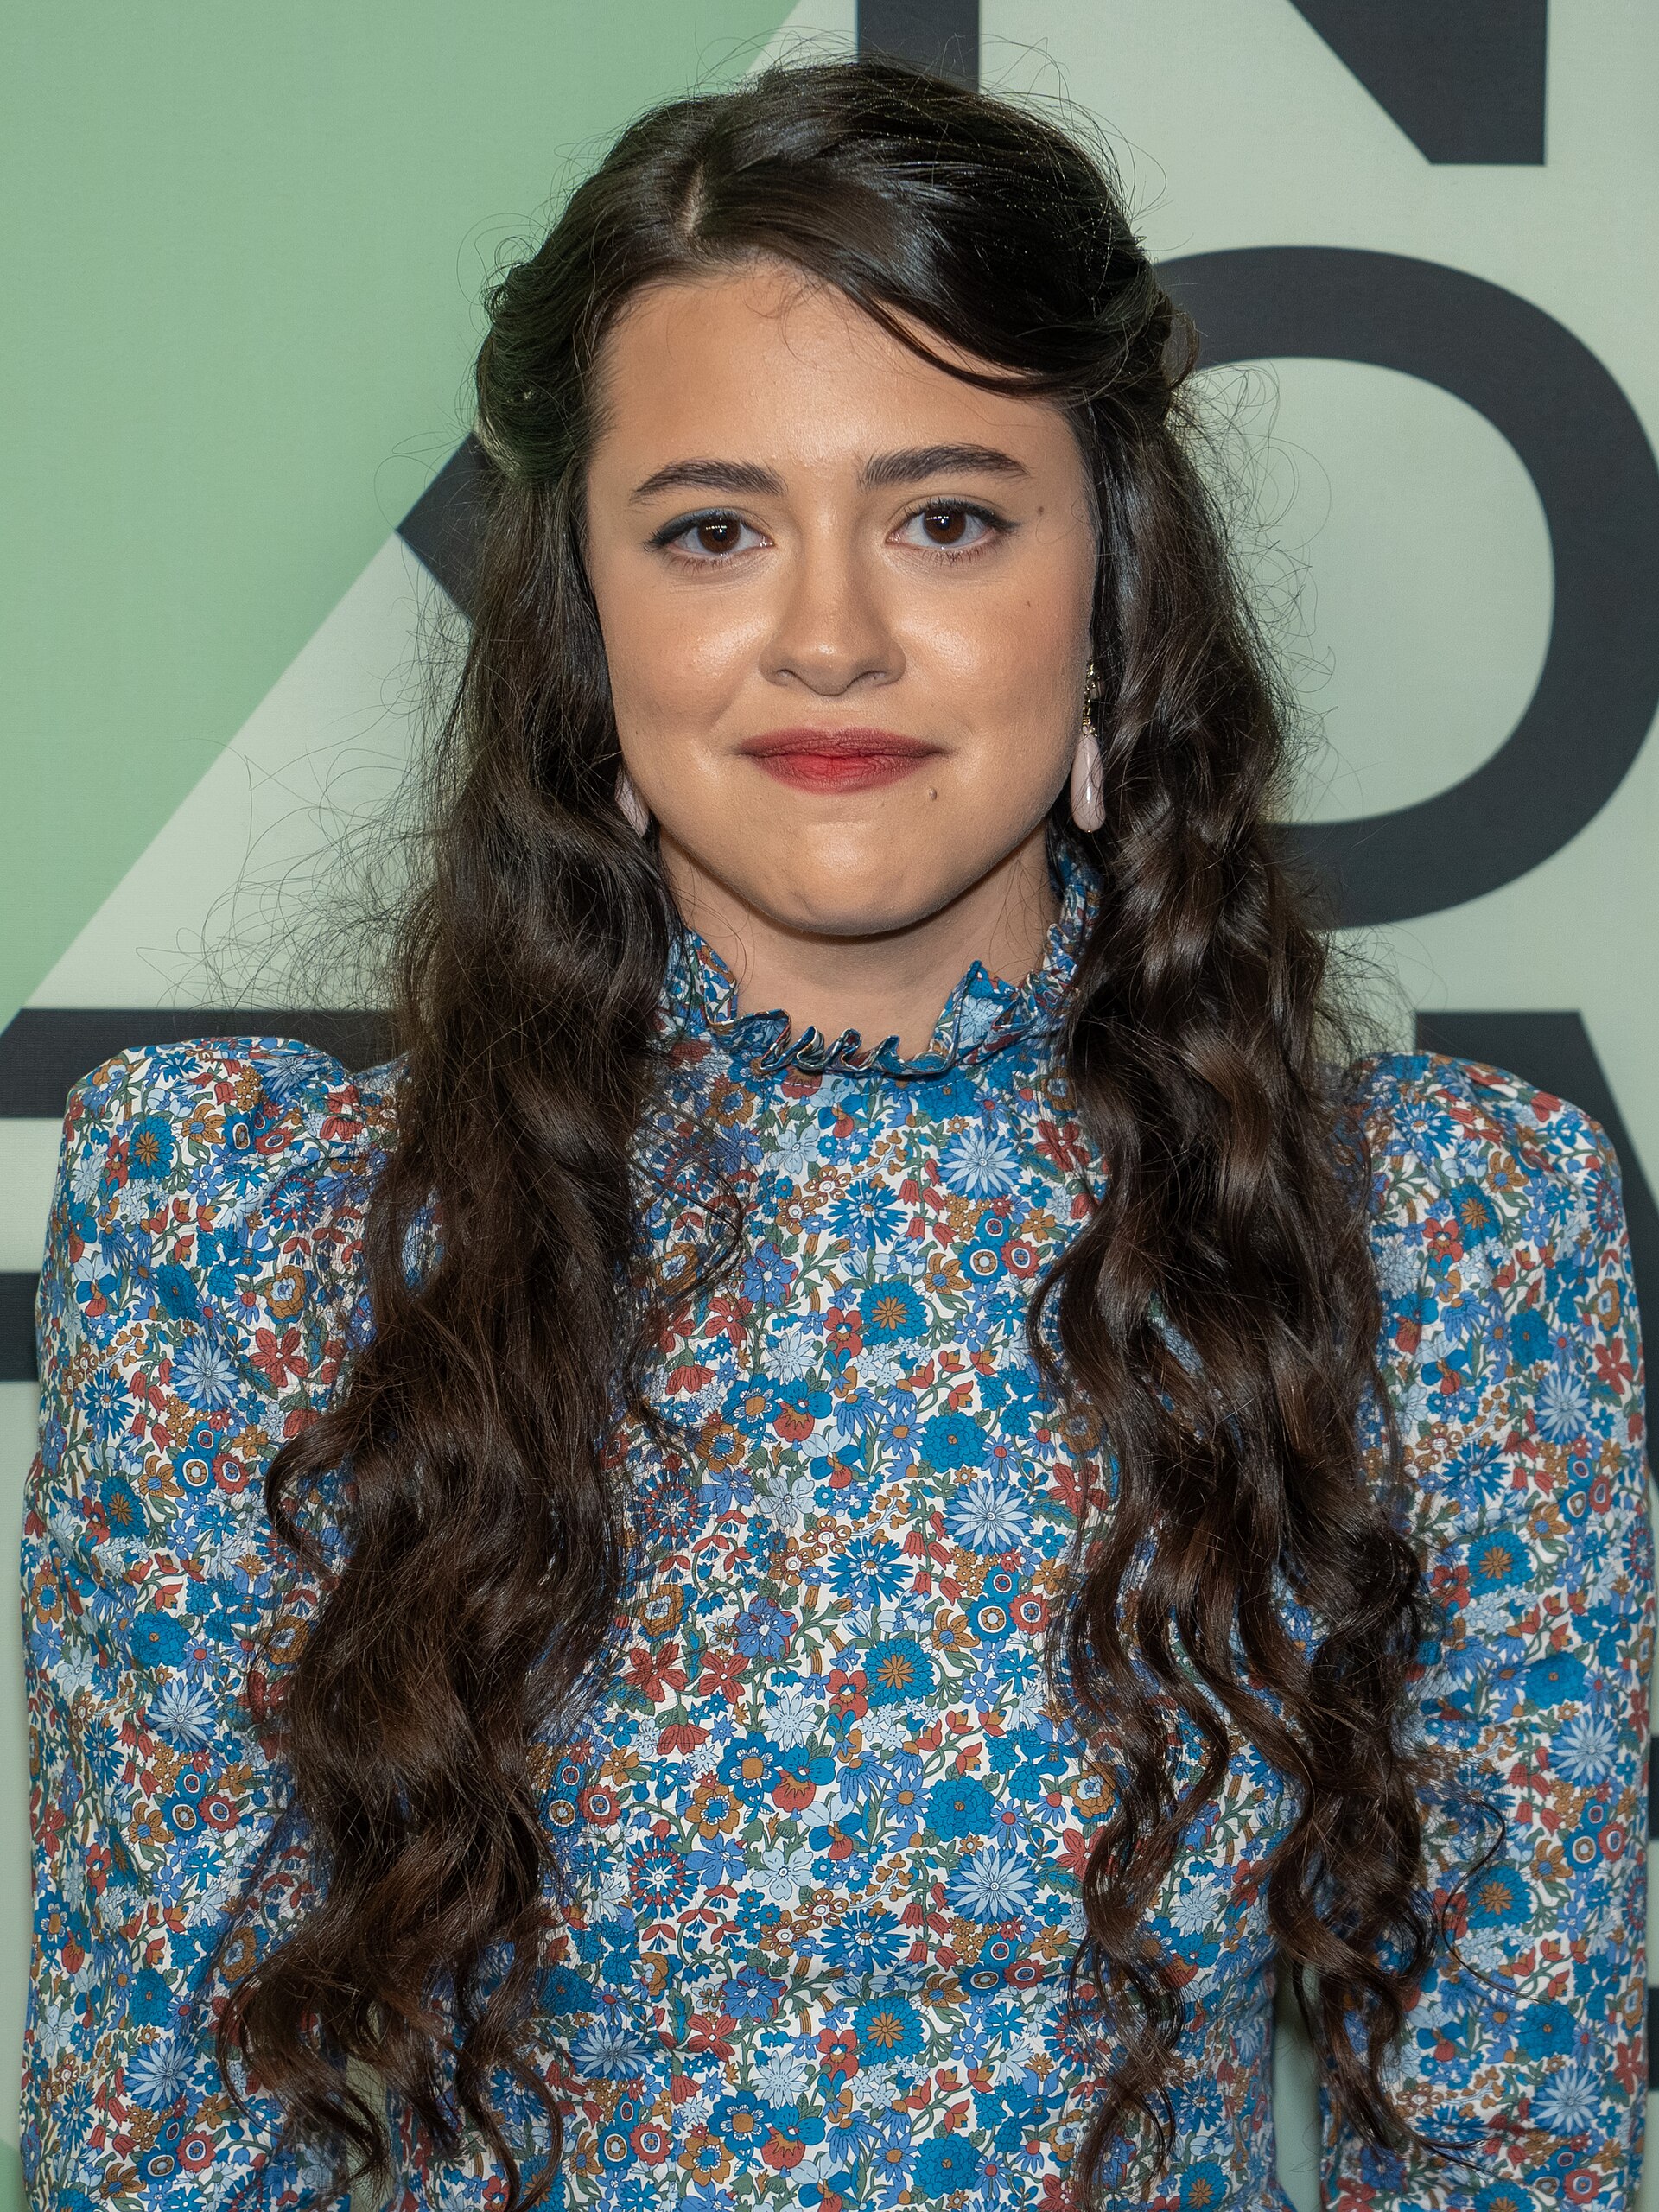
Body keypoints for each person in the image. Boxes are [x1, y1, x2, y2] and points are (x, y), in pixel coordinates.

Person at [19, 56, 1652, 2212]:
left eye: (949, 516)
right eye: (712, 527)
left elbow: (1500, 2136)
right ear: (587, 630)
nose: (830, 635)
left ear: (1114, 594)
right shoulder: (247, 1234)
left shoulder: (1447, 1240)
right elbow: (168, 2132)